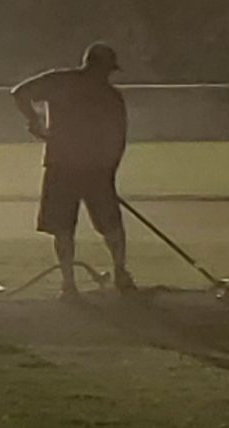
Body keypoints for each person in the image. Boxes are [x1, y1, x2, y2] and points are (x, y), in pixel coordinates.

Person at [10, 44, 136, 299]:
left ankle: (72, 284)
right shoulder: (108, 95)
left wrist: (36, 122)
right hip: (91, 168)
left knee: (65, 226)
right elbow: (119, 138)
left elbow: (19, 93)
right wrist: (109, 170)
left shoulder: (62, 81)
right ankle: (116, 273)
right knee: (101, 224)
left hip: (65, 165)